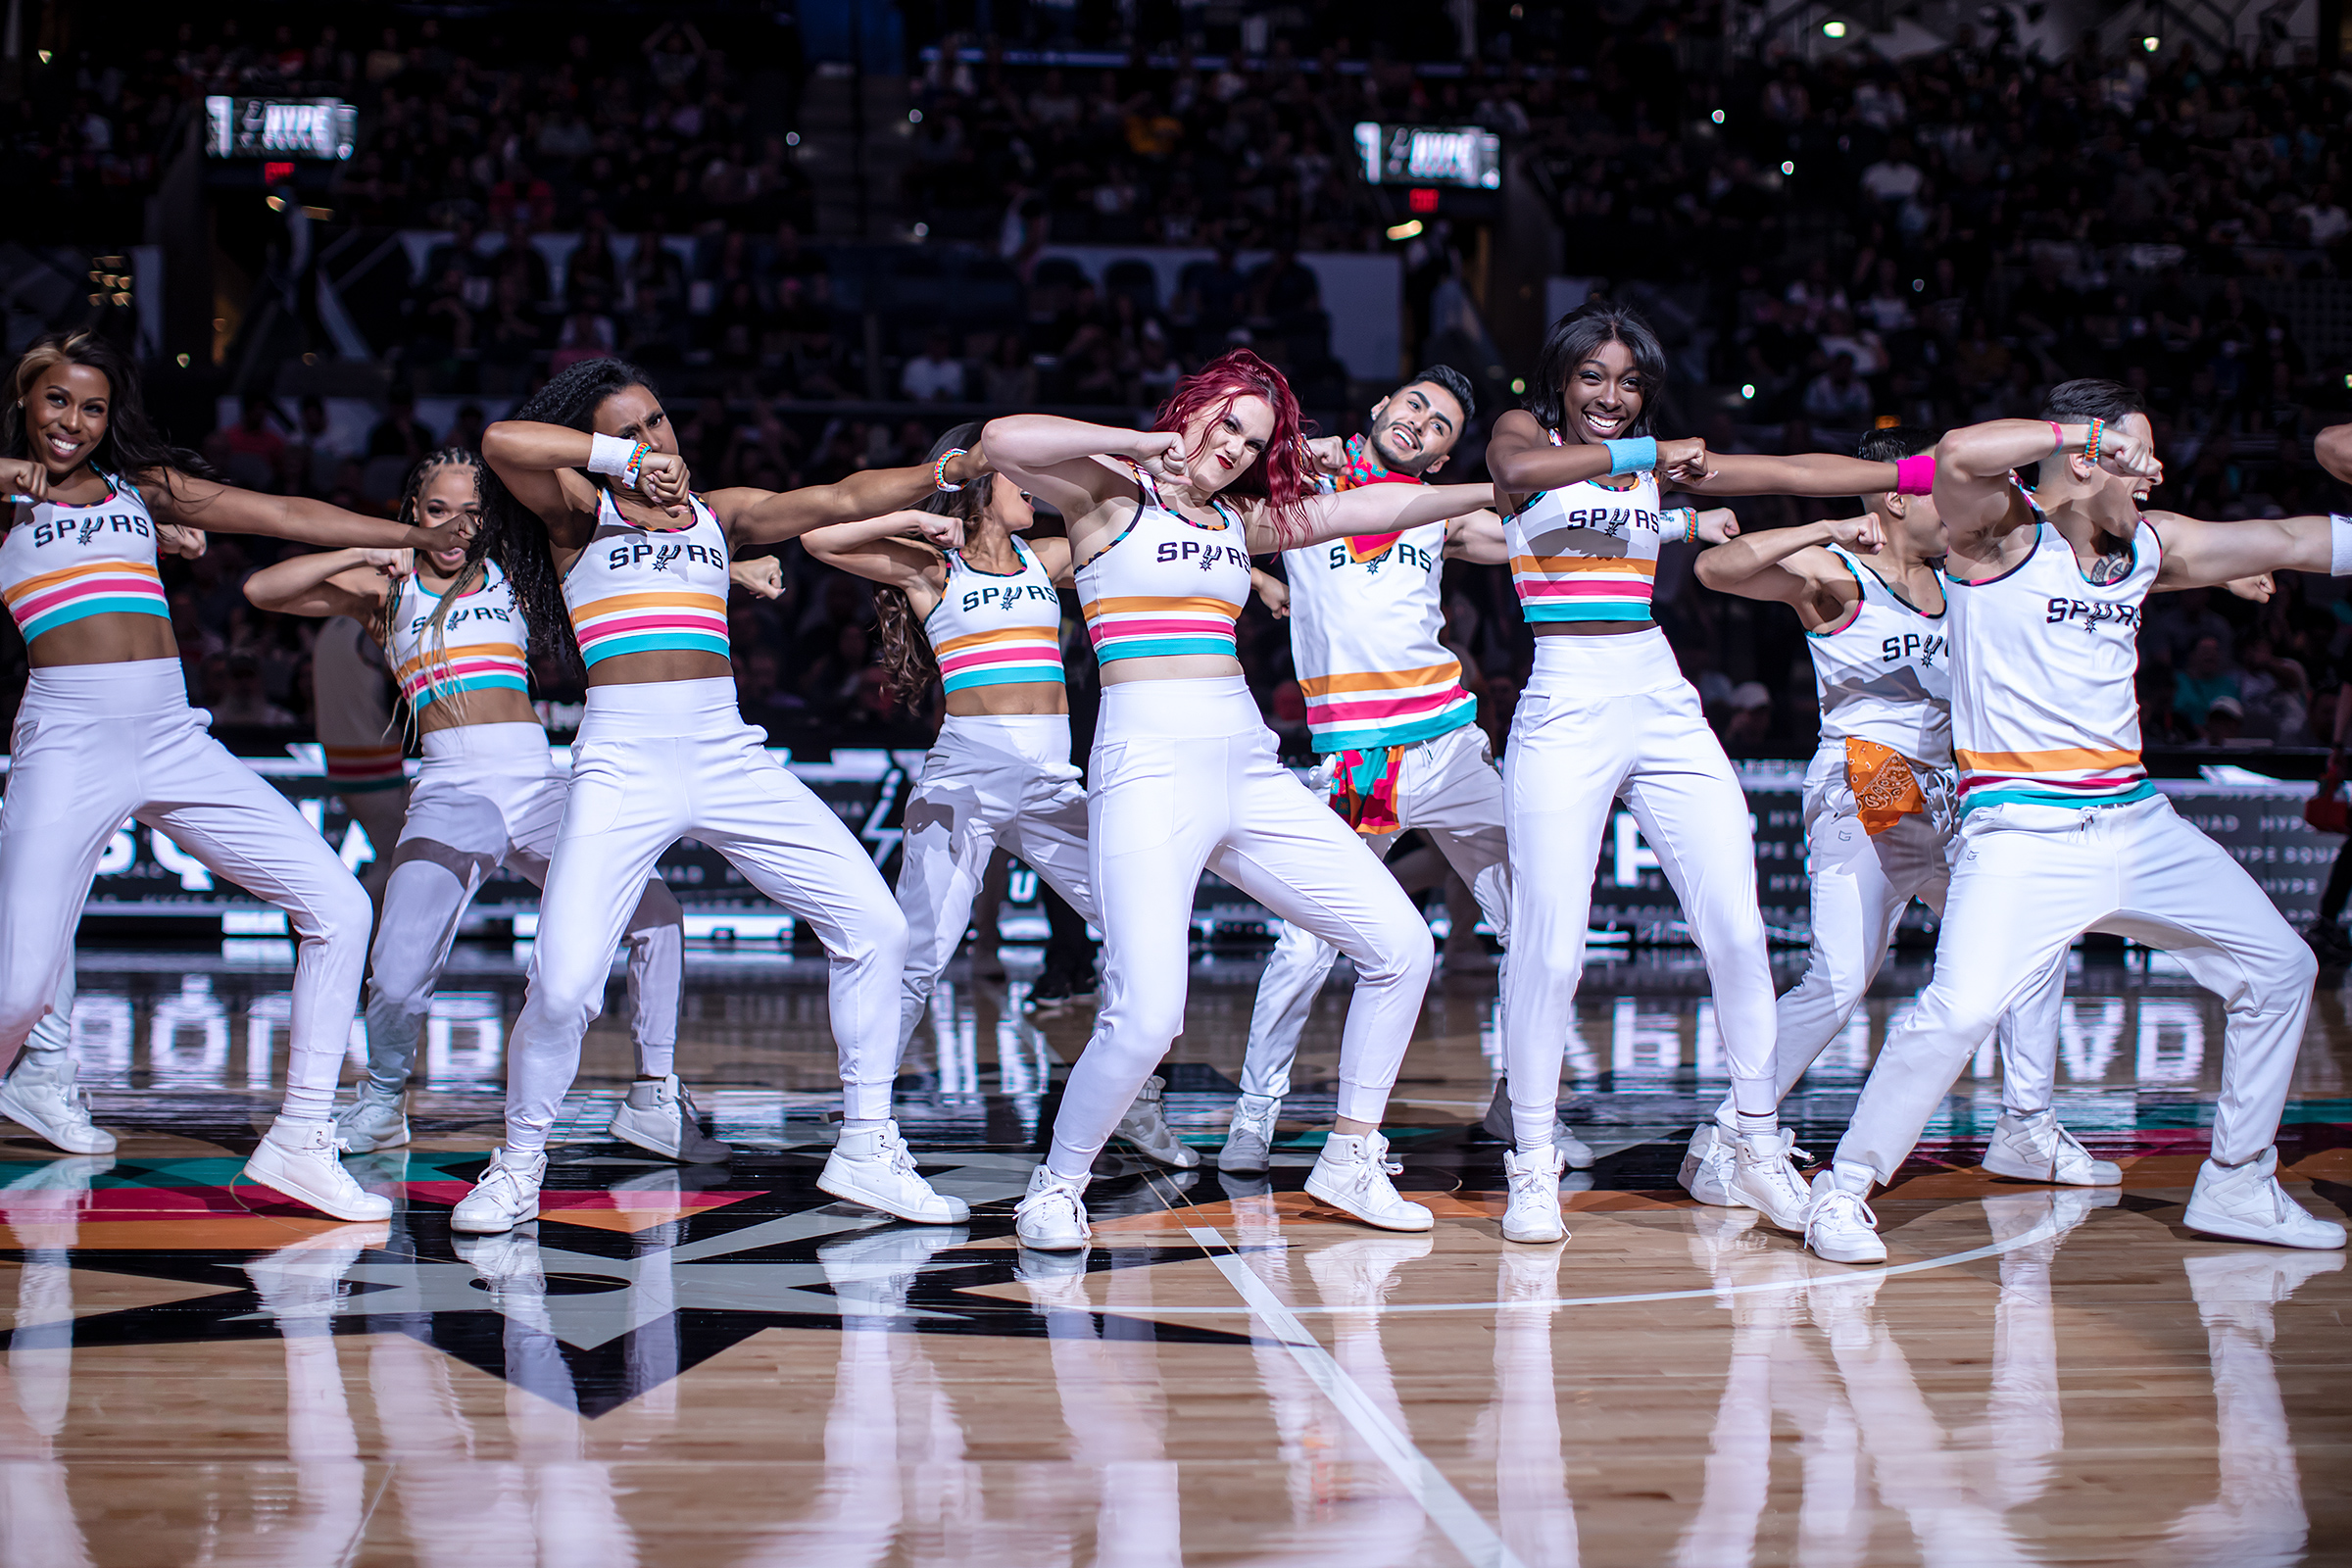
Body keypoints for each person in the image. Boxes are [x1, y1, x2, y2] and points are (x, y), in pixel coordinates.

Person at [1801, 384, 2352, 1264]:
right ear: (2090, 459)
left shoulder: (2148, 547)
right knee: (1959, 1011)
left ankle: (2238, 1182)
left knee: (2282, 968)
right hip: (2022, 832)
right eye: (2140, 455)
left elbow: (2292, 540)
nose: (2157, 471)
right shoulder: (1998, 537)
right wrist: (2078, 433)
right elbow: (1955, 454)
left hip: (2137, 821)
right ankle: (1844, 1187)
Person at [447, 357, 991, 1236]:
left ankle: (866, 1147)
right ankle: (517, 1166)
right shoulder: (579, 512)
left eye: (656, 421)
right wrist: (620, 462)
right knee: (563, 986)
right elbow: (502, 441)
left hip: (726, 755)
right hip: (621, 764)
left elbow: (840, 496)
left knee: (878, 929)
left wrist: (948, 471)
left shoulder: (717, 514)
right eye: (628, 432)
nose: (653, 439)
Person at [983, 349, 1494, 1250]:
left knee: (1401, 947)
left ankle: (1350, 1156)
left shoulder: (1241, 522)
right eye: (1226, 423)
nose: (1235, 447)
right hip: (1147, 770)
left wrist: (1496, 489)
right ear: (1190, 408)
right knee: (1148, 1016)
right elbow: (1001, 439)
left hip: (1249, 769)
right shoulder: (1110, 497)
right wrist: (1137, 442)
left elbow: (1372, 508)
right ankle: (1056, 1187)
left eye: (1254, 441)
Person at [0, 331, 456, 1223]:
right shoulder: (11, 499)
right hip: (67, 740)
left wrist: (410, 533)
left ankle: (299, 1144)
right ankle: (32, 1075)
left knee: (340, 905)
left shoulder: (139, 489)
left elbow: (282, 513)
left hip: (172, 735)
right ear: (26, 400)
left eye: (92, 407)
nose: (72, 422)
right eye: (56, 400)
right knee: (17, 989)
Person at [1483, 302, 1905, 1247]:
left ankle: (1753, 1144)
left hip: (1658, 692)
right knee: (1550, 949)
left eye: (1631, 382)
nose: (1612, 395)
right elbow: (1517, 476)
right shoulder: (1529, 436)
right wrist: (1654, 463)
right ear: (1562, 379)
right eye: (1594, 376)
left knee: (1739, 931)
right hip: (1564, 699)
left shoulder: (1650, 466)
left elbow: (1788, 471)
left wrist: (1917, 475)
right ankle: (1534, 1161)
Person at [243, 447, 745, 1165]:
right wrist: (368, 548)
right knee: (397, 972)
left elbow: (629, 565)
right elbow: (263, 588)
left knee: (658, 915)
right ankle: (382, 1101)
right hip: (450, 792)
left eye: (472, 513)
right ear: (412, 513)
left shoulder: (519, 574)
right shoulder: (386, 590)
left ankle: (653, 1098)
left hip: (540, 787)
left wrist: (739, 571)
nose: (455, 528)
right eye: (437, 511)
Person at [1680, 425, 2110, 1207]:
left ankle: (2026, 1124)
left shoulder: (1962, 578)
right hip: (1867, 778)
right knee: (1840, 979)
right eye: (1941, 493)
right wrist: (1824, 524)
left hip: (1945, 791)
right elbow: (1716, 568)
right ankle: (1729, 1135)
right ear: (1896, 498)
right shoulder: (1837, 573)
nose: (1959, 507)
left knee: (2031, 948)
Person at [1220, 367, 1593, 1175]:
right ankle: (1255, 1114)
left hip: (1451, 746)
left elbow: (1544, 536)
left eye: (1441, 428)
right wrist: (1263, 561)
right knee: (1307, 946)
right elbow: (1217, 497)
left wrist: (1676, 524)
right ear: (1381, 406)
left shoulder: (1438, 512)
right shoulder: (1303, 491)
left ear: (1441, 460)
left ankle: (1525, 1106)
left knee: (1541, 925)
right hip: (1361, 761)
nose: (1422, 423)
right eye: (1415, 405)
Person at [801, 423, 1195, 1169]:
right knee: (917, 957)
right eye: (1020, 477)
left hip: (1050, 785)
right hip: (967, 780)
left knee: (1144, 927)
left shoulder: (1045, 557)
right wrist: (916, 516)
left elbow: (1134, 545)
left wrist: (1257, 578)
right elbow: (821, 538)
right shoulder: (933, 567)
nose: (1034, 489)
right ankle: (863, 1119)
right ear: (980, 484)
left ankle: (1137, 1102)